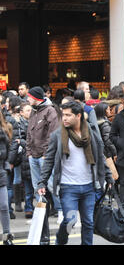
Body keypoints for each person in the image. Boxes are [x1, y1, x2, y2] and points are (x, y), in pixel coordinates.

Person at [37, 101, 114, 245]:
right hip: (68, 187)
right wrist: (42, 181)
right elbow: (49, 160)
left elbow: (99, 156)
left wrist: (109, 177)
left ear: (78, 116)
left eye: (68, 115)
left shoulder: (91, 133)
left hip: (89, 186)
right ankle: (60, 241)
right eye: (63, 115)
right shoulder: (58, 135)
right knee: (70, 220)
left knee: (88, 222)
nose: (64, 118)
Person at [26, 86, 63, 224]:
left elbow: (53, 135)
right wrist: (29, 153)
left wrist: (46, 154)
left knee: (52, 185)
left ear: (36, 98)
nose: (27, 99)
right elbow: (29, 132)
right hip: (34, 155)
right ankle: (41, 215)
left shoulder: (50, 111)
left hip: (44, 156)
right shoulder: (33, 111)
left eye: (30, 96)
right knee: (37, 187)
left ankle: (61, 211)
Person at [0, 111, 13, 244]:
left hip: (0, 172)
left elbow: (7, 154)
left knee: (4, 205)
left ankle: (6, 236)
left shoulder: (3, 133)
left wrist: (6, 166)